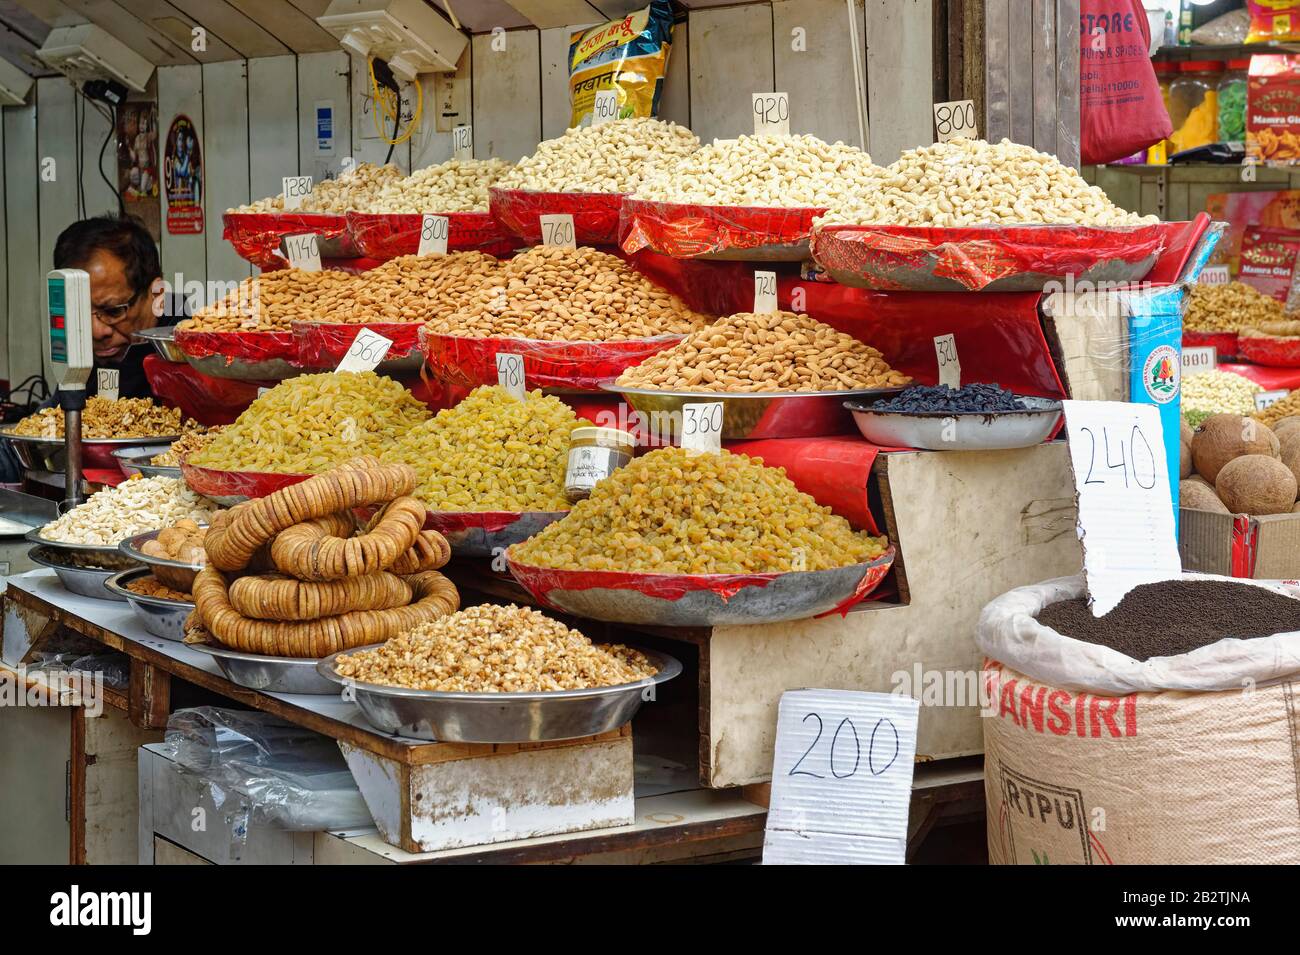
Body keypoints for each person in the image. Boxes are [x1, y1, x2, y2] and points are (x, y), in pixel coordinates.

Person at [51, 215, 184, 400]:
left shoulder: (195, 358)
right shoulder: (85, 362)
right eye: (79, 312)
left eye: (113, 311)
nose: (97, 332)